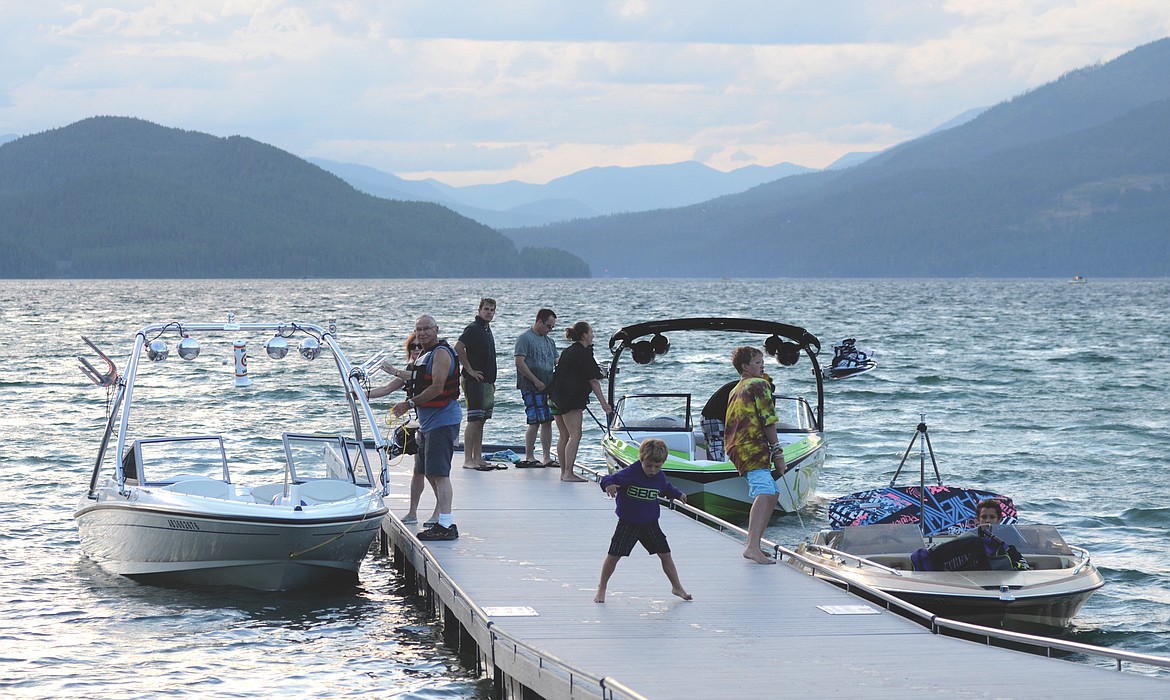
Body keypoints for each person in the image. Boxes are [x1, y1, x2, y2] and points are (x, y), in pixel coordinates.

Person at [370, 315, 462, 541]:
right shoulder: (421, 359)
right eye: (418, 330)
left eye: (426, 329)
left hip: (443, 421)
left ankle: (446, 524)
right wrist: (360, 395)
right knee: (429, 471)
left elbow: (438, 387)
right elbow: (389, 388)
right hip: (427, 424)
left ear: (436, 329)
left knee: (440, 474)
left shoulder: (441, 354)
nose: (422, 333)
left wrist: (409, 404)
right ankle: (440, 519)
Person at [595, 438, 692, 603]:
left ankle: (676, 587)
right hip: (628, 521)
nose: (652, 470)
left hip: (650, 523)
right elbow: (607, 479)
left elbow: (666, 487)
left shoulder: (659, 476)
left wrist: (678, 494)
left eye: (657, 466)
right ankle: (602, 587)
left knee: (665, 555)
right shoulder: (631, 472)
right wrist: (609, 485)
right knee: (614, 555)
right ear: (641, 460)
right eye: (649, 466)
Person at [724, 346, 787, 565]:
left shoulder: (736, 388)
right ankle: (751, 546)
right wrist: (778, 452)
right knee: (766, 491)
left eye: (762, 362)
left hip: (737, 446)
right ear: (745, 366)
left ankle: (755, 544)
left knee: (773, 493)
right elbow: (767, 420)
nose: (763, 365)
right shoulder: (760, 384)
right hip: (751, 446)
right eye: (758, 362)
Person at [374, 332, 439, 527]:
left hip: (437, 424)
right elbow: (386, 389)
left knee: (435, 472)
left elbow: (420, 378)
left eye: (420, 347)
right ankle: (412, 512)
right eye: (413, 347)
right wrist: (360, 394)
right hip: (420, 425)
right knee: (419, 470)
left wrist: (393, 370)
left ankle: (440, 512)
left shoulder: (428, 369)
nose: (417, 350)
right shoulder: (409, 370)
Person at [548, 321, 612, 482]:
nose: (593, 335)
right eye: (591, 332)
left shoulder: (568, 351)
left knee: (564, 435)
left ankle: (564, 472)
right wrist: (604, 404)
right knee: (575, 434)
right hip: (570, 400)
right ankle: (568, 473)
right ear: (584, 335)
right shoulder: (584, 353)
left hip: (554, 397)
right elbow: (594, 381)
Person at [454, 298, 498, 471]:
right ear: (479, 310)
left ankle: (477, 457)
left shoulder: (487, 329)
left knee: (482, 420)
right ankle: (467, 458)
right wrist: (470, 369)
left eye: (492, 310)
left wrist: (492, 382)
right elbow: (458, 347)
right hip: (474, 381)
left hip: (487, 382)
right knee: (474, 419)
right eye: (486, 309)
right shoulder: (473, 329)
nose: (489, 312)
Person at [514, 308, 558, 468]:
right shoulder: (525, 338)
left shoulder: (549, 341)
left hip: (547, 387)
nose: (550, 329)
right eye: (548, 326)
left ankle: (546, 457)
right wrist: (535, 380)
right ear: (539, 321)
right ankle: (529, 456)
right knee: (534, 421)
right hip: (530, 386)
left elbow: (556, 361)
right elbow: (519, 362)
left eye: (552, 327)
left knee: (547, 421)